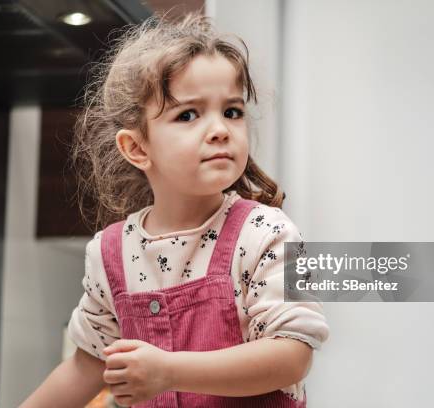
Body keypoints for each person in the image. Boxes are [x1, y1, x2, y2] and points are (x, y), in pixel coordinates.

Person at [21, 12, 329, 408]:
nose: (220, 129)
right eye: (188, 114)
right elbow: (85, 365)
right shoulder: (110, 253)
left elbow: (292, 356)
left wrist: (168, 371)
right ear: (136, 148)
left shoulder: (268, 232)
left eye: (232, 111)